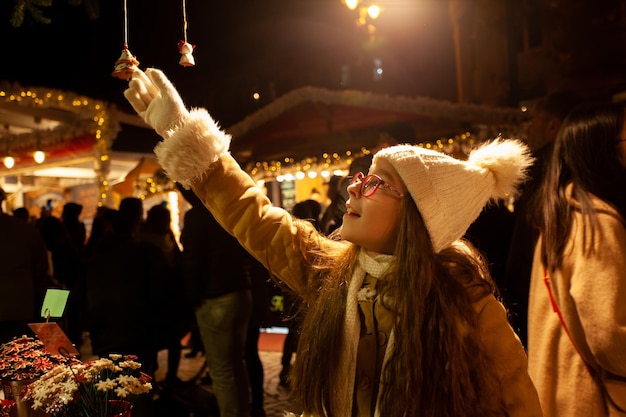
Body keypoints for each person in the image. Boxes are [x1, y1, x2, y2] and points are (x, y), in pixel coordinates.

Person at [125, 68, 542, 417]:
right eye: (359, 178)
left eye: (375, 182)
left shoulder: (468, 306)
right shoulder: (335, 270)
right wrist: (178, 129)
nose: (354, 190)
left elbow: (518, 405)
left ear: (419, 216)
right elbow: (254, 216)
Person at [527, 102, 626, 417]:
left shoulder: (561, 214)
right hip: (592, 400)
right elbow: (609, 337)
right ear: (603, 151)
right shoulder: (596, 221)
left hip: (559, 394)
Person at [503, 91, 584, 347]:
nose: (527, 129)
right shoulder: (581, 169)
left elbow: (526, 250)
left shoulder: (545, 172)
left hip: (541, 305)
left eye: (533, 121)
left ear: (553, 125)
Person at [178, 185, 254, 417]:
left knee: (221, 369)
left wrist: (192, 298)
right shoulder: (226, 210)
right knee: (237, 363)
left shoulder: (196, 217)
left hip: (215, 297)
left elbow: (192, 261)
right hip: (241, 291)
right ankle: (244, 411)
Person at [0, 187, 51, 344]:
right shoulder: (26, 230)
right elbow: (41, 271)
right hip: (18, 308)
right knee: (16, 360)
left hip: (18, 308)